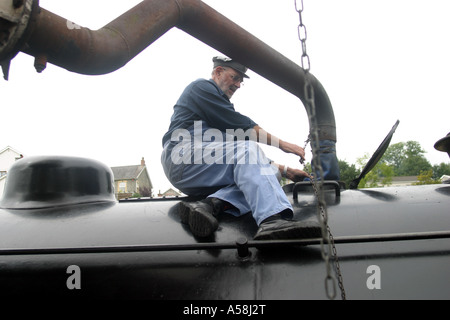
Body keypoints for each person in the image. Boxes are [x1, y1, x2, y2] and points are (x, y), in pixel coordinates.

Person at [161, 56, 321, 240]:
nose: (238, 85)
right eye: (235, 77)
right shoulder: (201, 88)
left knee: (269, 174)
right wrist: (283, 145)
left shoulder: (219, 108)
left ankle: (209, 205)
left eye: (240, 81)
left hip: (202, 162)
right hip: (181, 155)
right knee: (247, 149)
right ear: (218, 71)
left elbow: (248, 162)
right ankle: (272, 220)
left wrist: (286, 171)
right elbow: (243, 131)